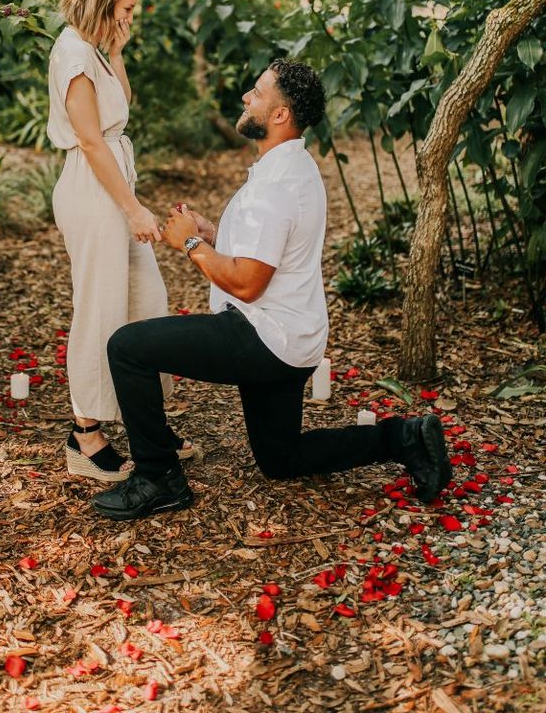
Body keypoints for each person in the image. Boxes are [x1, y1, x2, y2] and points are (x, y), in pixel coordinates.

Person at [91, 58, 452, 520]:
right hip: (289, 336)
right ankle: (405, 437)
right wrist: (215, 233)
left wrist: (191, 243)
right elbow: (264, 252)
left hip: (262, 336)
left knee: (127, 347)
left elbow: (246, 283)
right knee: (281, 459)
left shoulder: (277, 185)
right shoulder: (288, 168)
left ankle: (157, 476)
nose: (246, 96)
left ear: (280, 115)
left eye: (258, 93)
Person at [47, 0, 193, 482]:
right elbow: (90, 139)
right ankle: (84, 434)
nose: (132, 15)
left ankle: (142, 419)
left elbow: (121, 105)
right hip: (93, 192)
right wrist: (132, 208)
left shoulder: (94, 49)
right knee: (101, 308)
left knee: (144, 303)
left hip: (112, 182)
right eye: (126, 7)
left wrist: (117, 49)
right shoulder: (71, 53)